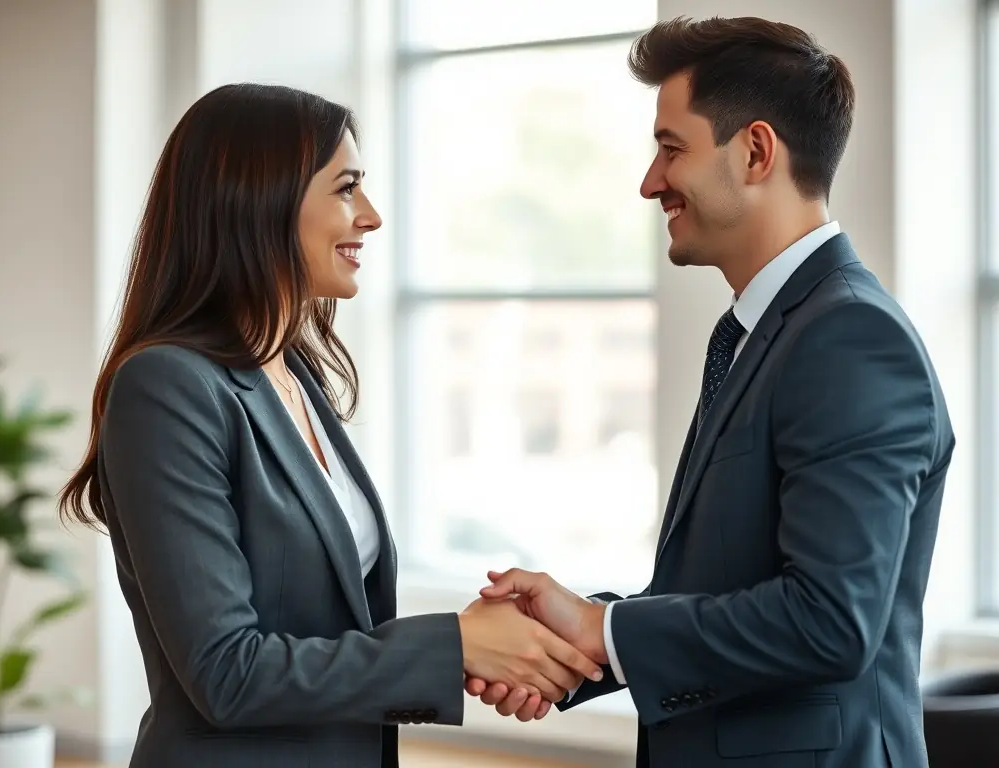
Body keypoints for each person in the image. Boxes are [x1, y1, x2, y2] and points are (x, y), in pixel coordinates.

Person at [58, 83, 602, 768]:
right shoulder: (167, 387)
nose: (370, 217)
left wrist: (485, 646)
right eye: (347, 189)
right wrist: (454, 645)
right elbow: (227, 672)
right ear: (261, 199)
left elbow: (325, 629)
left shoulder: (293, 376)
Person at [466, 16, 955, 768]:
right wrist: (580, 635)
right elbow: (726, 586)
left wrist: (604, 634)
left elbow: (830, 622)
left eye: (670, 149)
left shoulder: (850, 339)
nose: (649, 182)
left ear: (755, 151)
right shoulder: (765, 333)